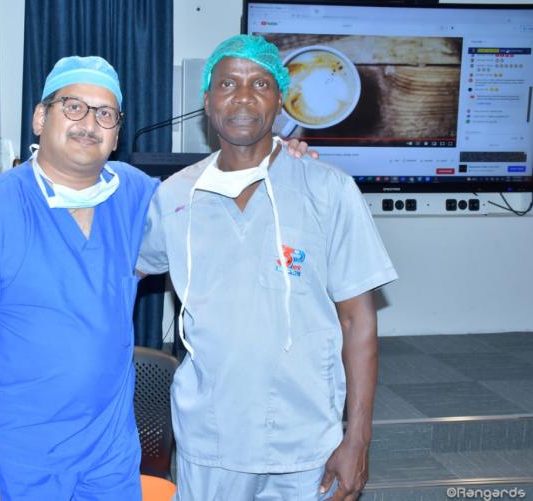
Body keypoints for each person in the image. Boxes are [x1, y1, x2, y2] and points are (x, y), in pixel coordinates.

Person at [137, 35, 398, 501]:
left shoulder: (328, 190)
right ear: (207, 101)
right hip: (209, 440)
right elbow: (119, 274)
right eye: (227, 84)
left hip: (306, 444)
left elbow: (358, 321)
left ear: (280, 101)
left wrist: (358, 438)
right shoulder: (175, 196)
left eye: (260, 84)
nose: (243, 96)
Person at [0, 56, 158, 501]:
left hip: (109, 457)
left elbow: (205, 195)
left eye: (105, 114)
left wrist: (279, 155)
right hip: (18, 458)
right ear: (40, 118)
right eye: (73, 106)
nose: (89, 123)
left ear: (116, 135)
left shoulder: (133, 194)